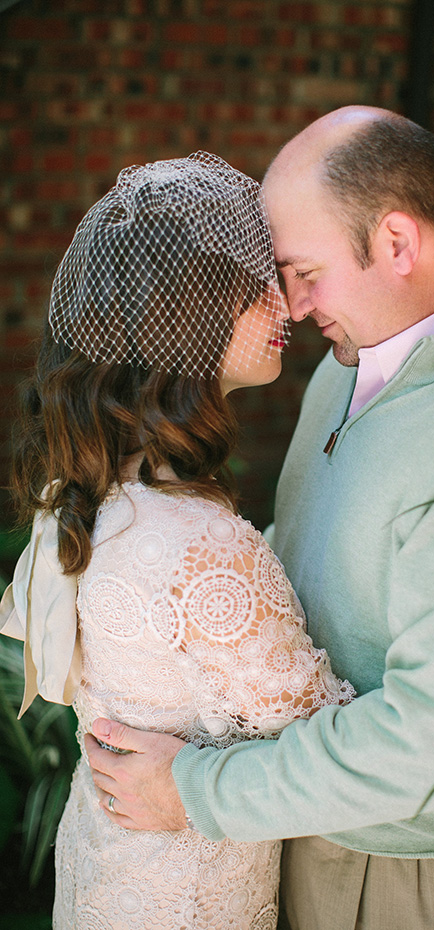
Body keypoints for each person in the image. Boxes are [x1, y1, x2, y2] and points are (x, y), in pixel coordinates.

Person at [84, 107, 434, 930]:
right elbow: (305, 568)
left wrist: (193, 790)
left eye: (304, 272)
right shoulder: (361, 358)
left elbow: (431, 740)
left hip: (428, 870)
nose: (291, 308)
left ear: (398, 244)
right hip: (314, 824)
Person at [0, 152, 356, 930]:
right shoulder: (201, 544)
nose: (286, 304)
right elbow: (332, 748)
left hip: (107, 875)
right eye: (255, 287)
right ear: (186, 319)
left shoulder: (99, 491)